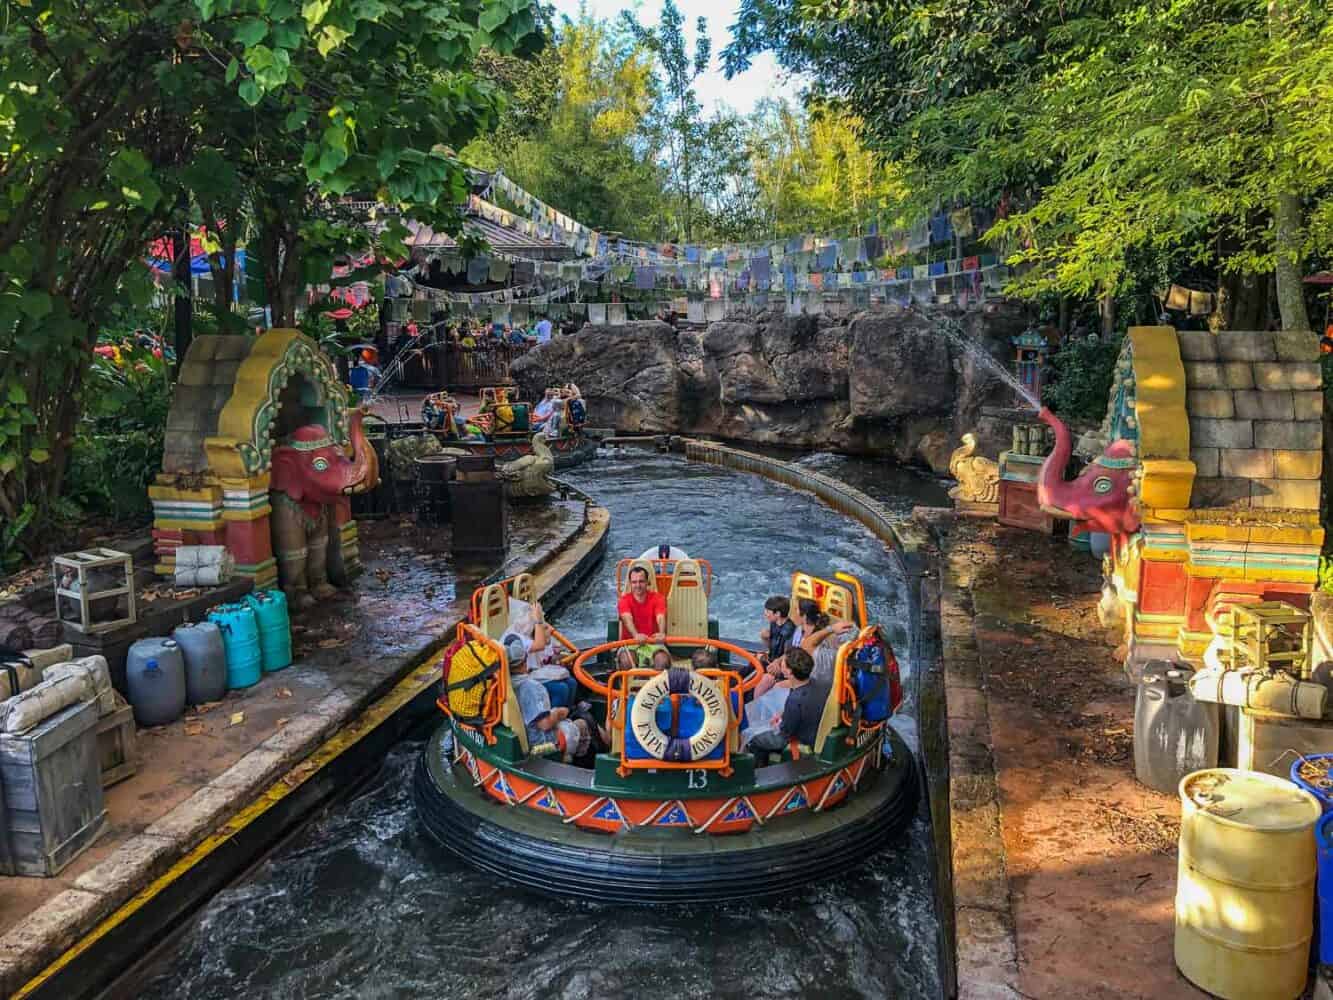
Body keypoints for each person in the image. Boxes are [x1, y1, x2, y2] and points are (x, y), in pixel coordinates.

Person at [507, 636, 606, 761]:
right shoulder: (531, 687)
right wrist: (558, 713)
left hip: (524, 738)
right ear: (525, 660)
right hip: (540, 743)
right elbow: (545, 724)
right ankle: (584, 761)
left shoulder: (505, 683)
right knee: (584, 723)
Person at [744, 648, 826, 761]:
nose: (780, 664)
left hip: (798, 739)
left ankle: (758, 768)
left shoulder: (794, 700)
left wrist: (754, 732)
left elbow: (784, 734)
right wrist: (782, 715)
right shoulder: (817, 684)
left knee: (751, 735)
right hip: (811, 731)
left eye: (783, 664)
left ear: (789, 672)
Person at [617, 565, 666, 667]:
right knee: (626, 661)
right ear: (630, 583)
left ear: (647, 582)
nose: (638, 585)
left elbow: (660, 617)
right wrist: (636, 635)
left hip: (653, 643)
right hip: (630, 644)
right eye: (634, 582)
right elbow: (627, 619)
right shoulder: (624, 600)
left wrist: (661, 633)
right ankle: (626, 682)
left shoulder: (658, 598)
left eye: (641, 581)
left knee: (662, 661)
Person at [758, 596, 796, 666]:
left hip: (780, 665)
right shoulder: (774, 623)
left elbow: (788, 655)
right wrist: (765, 639)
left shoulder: (788, 630)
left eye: (767, 611)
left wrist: (771, 661)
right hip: (772, 659)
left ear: (778, 614)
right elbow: (772, 648)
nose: (765, 613)